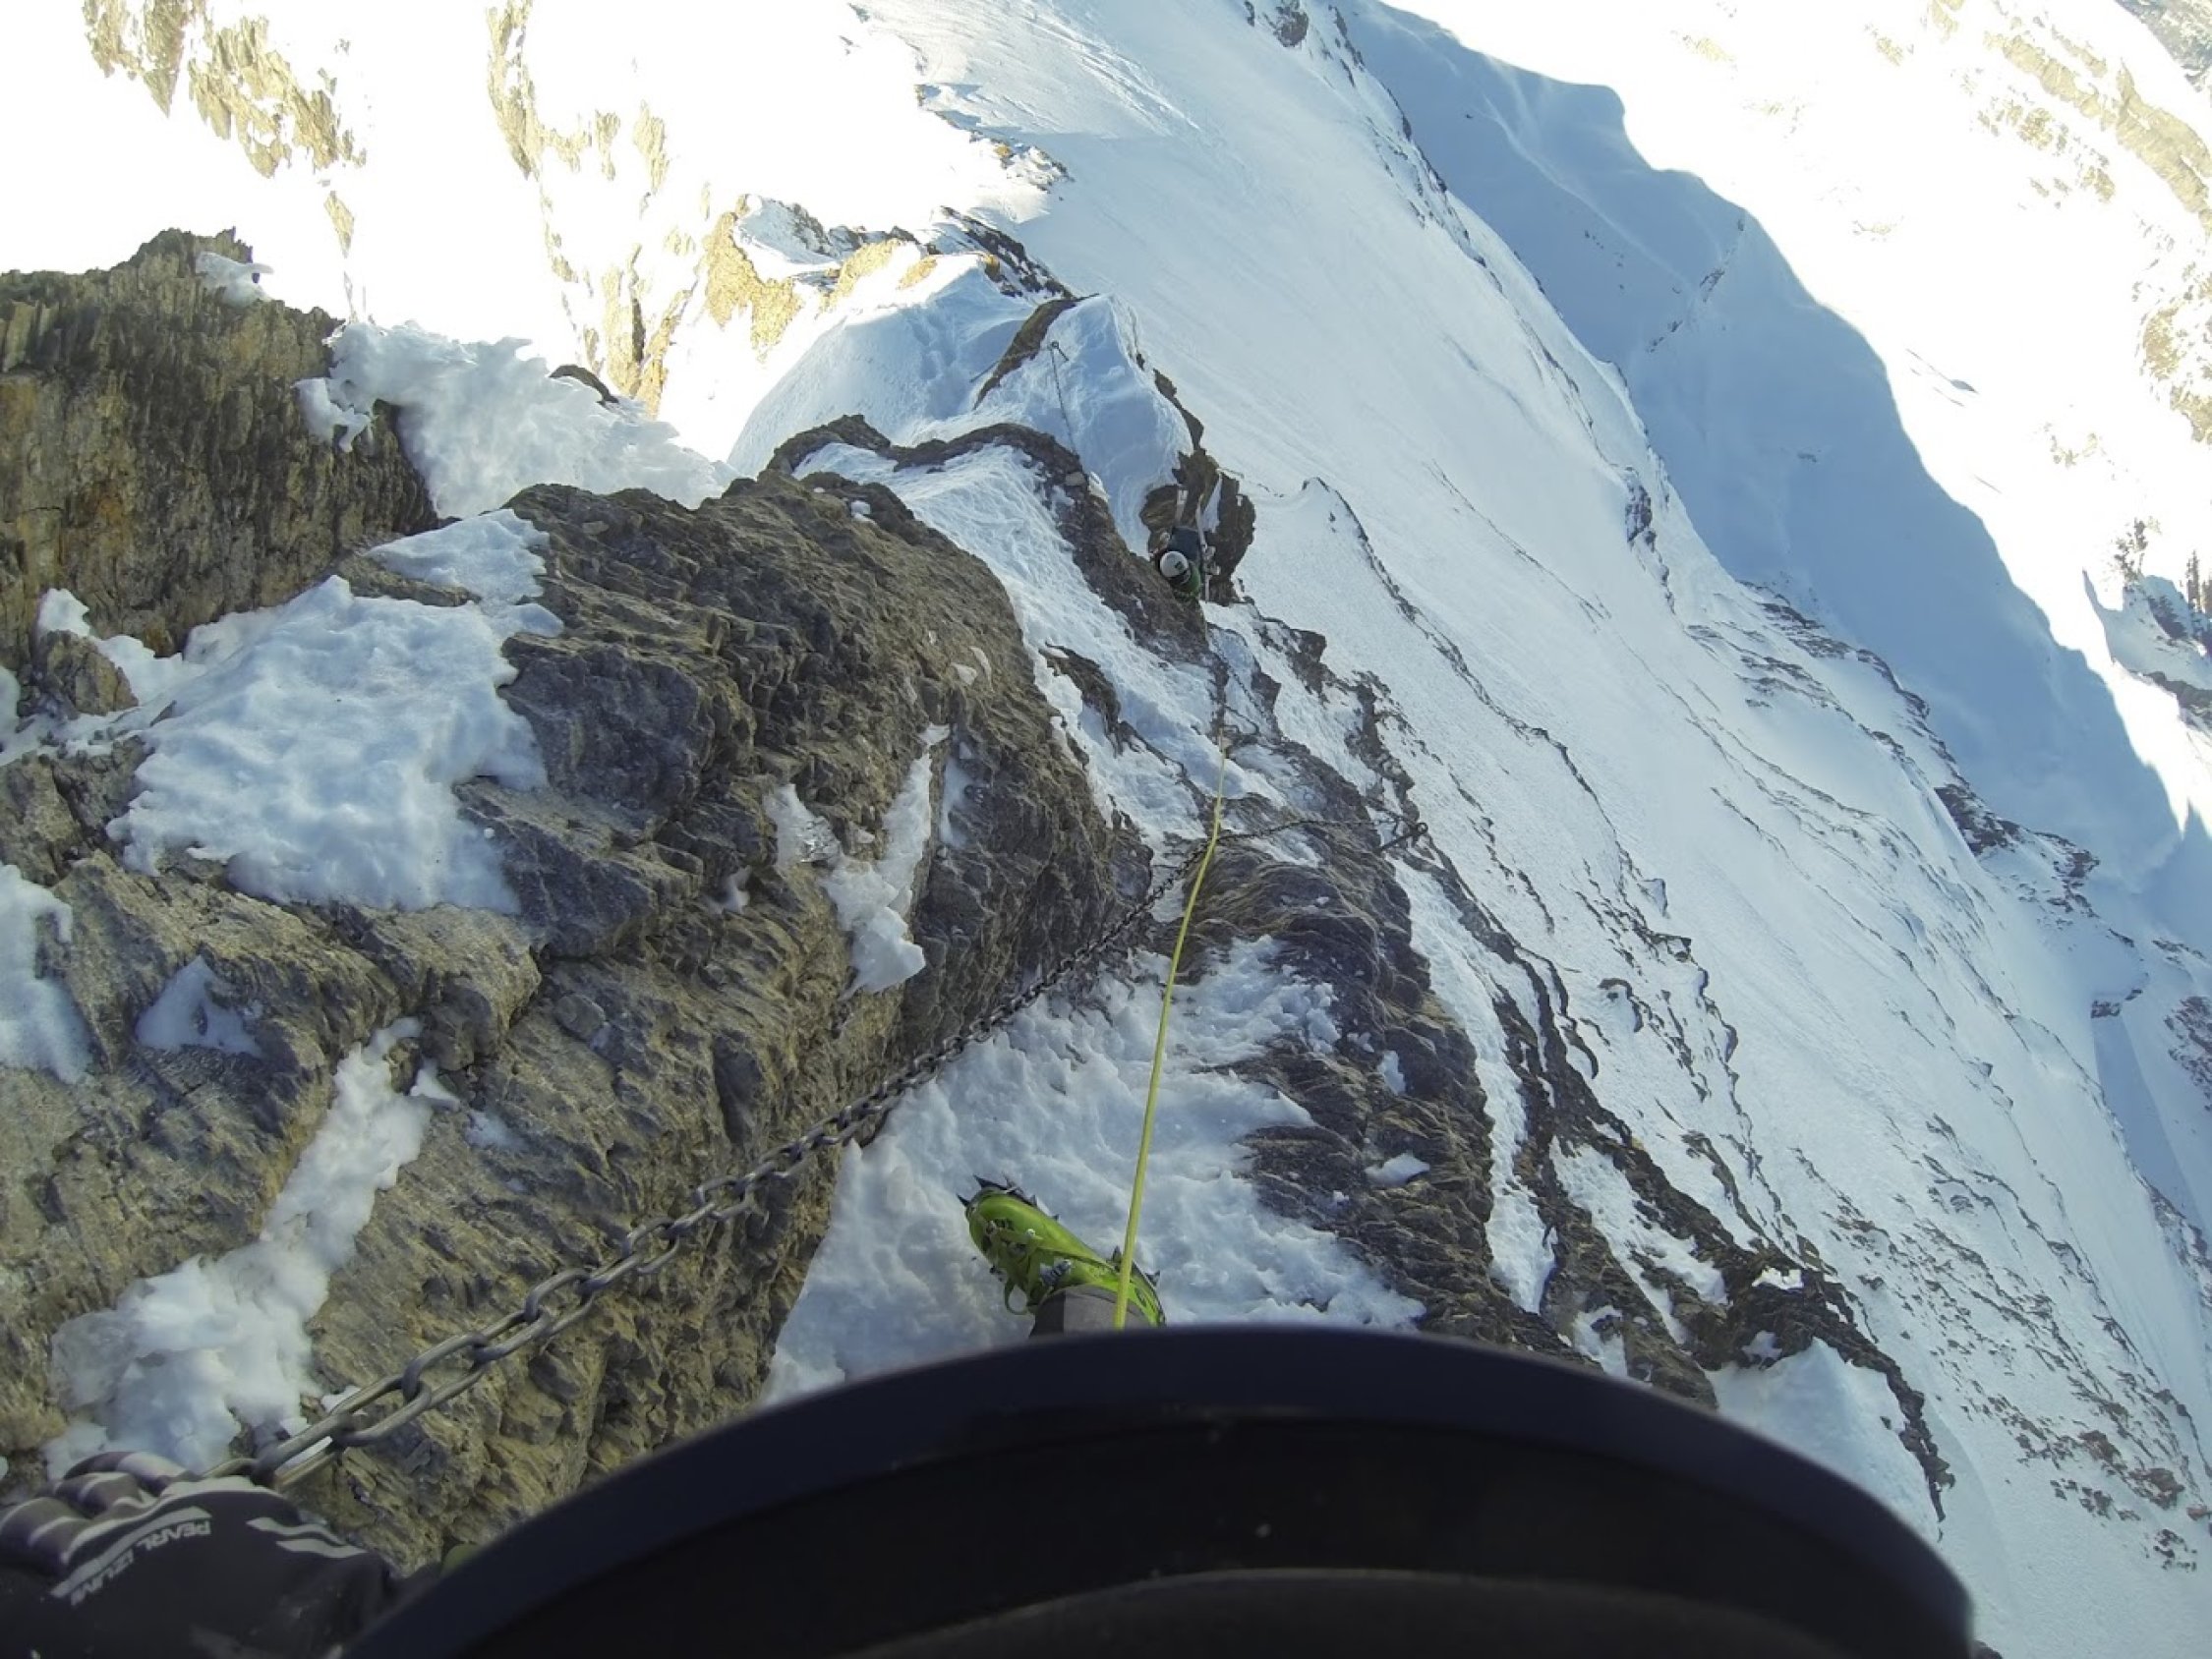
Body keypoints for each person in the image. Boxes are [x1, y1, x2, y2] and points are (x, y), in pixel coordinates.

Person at [1152, 524, 1206, 601]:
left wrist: (1173, 592)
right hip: (1183, 553)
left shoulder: (1194, 582)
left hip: (1185, 554)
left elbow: (1190, 597)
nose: (1185, 577)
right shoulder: (1180, 563)